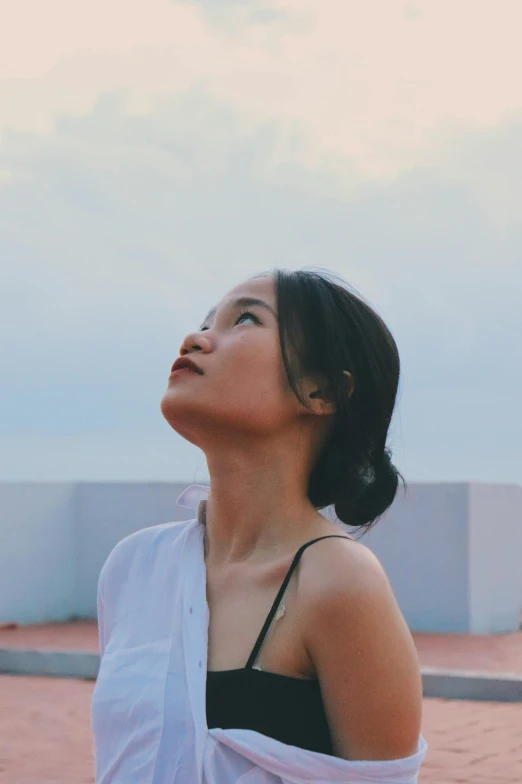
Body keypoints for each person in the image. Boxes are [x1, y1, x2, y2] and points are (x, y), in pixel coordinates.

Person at [91, 267, 426, 783]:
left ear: (320, 391)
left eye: (245, 318)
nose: (195, 338)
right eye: (204, 321)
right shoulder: (134, 568)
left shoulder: (339, 583)